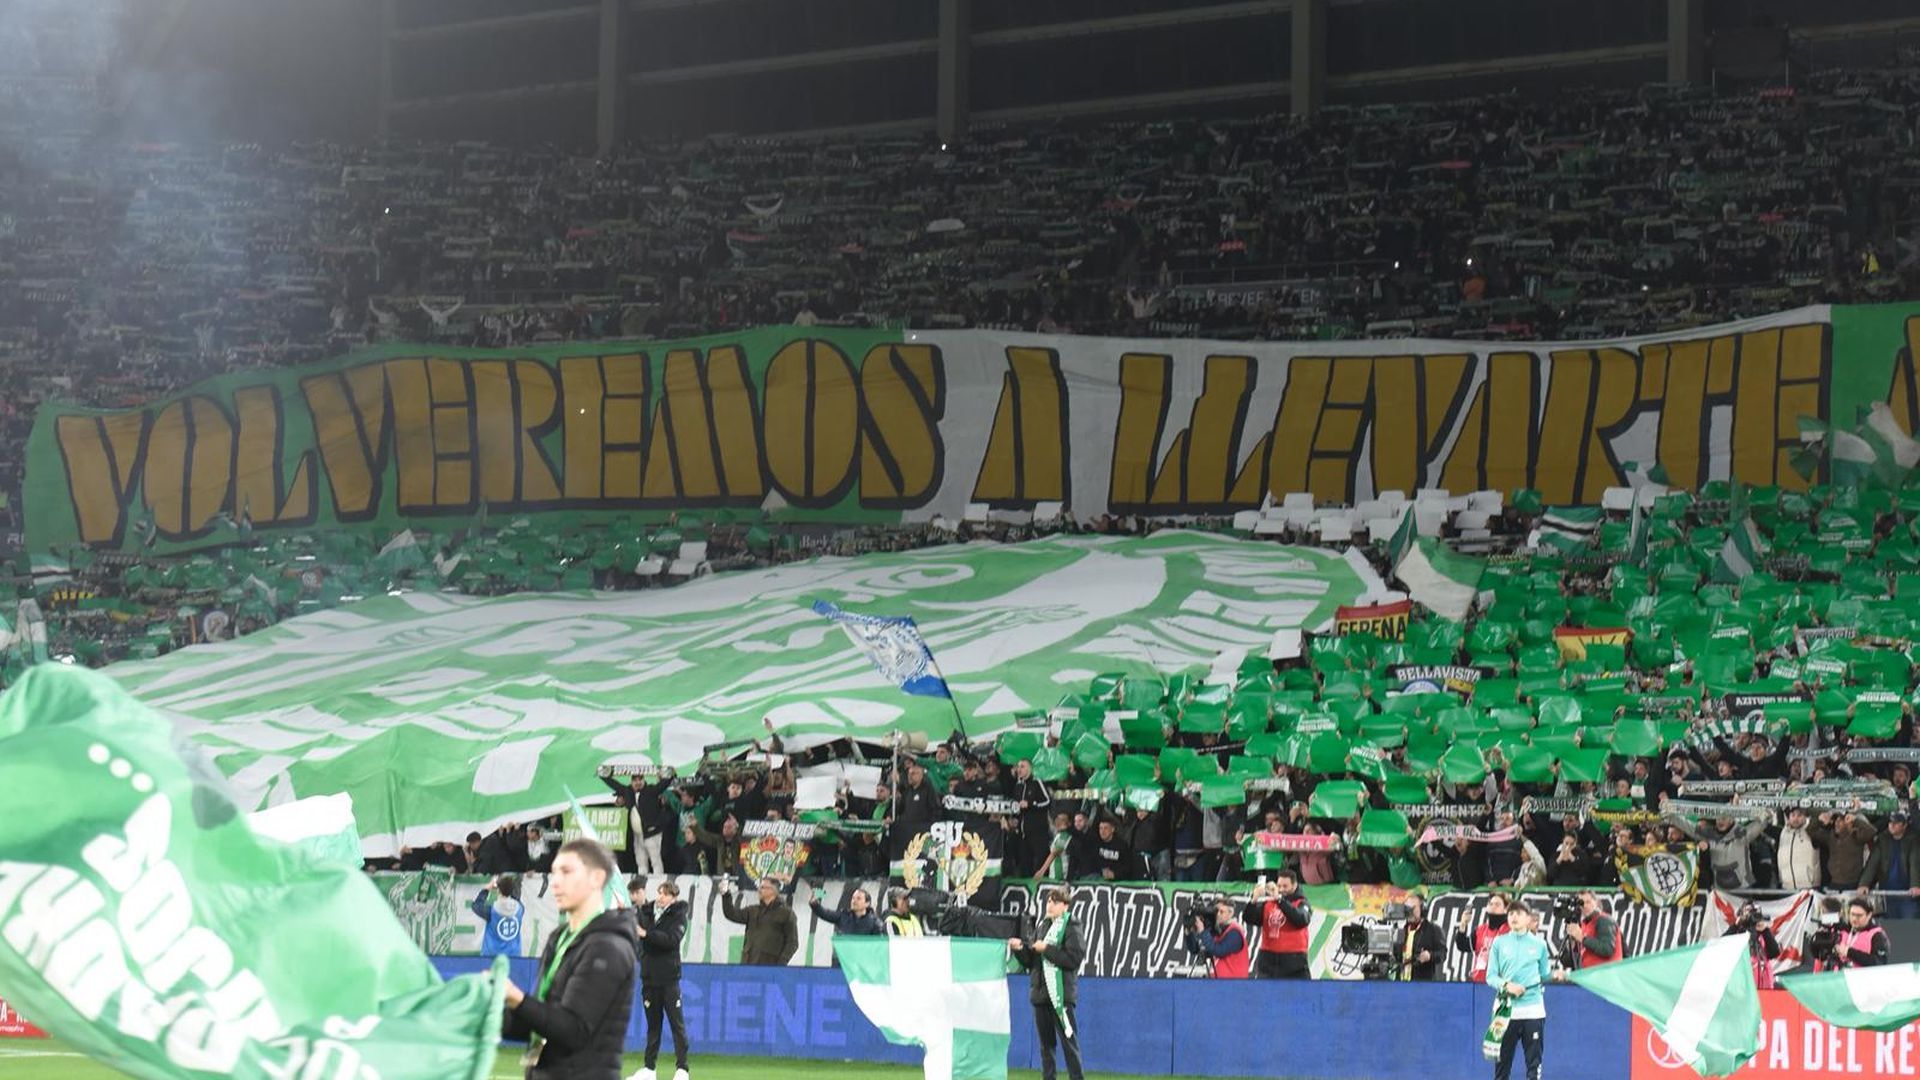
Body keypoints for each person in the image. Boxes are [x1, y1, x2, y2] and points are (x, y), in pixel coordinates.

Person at [502, 839, 637, 1080]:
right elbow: (543, 1021)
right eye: (553, 873)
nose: (555, 882)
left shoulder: (608, 946)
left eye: (566, 872)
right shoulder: (560, 937)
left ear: (597, 878)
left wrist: (518, 998)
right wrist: (487, 1012)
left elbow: (574, 1031)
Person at [1009, 886, 1086, 1080]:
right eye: (1049, 901)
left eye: (1055, 902)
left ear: (1065, 906)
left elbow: (1073, 959)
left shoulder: (1071, 927)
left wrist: (1047, 949)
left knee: (1069, 1045)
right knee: (1046, 1046)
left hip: (1061, 996)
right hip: (1041, 995)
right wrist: (1019, 949)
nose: (1050, 905)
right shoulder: (1042, 926)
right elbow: (1031, 961)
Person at [630, 880, 690, 1080]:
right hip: (649, 978)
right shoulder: (645, 913)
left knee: (676, 1024)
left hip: (669, 979)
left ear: (674, 898)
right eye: (659, 893)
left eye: (665, 894)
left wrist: (647, 935)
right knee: (653, 1026)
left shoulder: (679, 916)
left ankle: (682, 1069)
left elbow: (671, 940)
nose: (661, 897)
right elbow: (638, 936)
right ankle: (649, 1069)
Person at [1488, 902, 1551, 1080]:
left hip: (1533, 1011)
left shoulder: (1540, 944)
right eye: (1511, 914)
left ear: (1529, 918)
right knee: (1502, 1066)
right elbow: (1490, 976)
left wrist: (1558, 974)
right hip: (1505, 1011)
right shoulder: (1499, 943)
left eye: (1519, 913)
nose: (1514, 917)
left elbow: (1545, 974)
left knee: (1534, 1066)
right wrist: (1507, 986)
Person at [1240, 870, 1312, 979]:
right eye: (1279, 886)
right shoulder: (1269, 903)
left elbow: (1301, 919)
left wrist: (1280, 900)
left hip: (1294, 961)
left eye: (1285, 886)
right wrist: (1254, 900)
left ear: (1294, 885)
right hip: (1269, 959)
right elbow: (1249, 918)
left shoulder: (1301, 902)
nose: (1281, 889)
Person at [720, 878, 798, 965]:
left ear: (772, 891)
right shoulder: (753, 910)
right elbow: (731, 914)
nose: (759, 890)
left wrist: (781, 964)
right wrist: (725, 895)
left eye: (763, 887)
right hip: (747, 964)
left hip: (770, 965)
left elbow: (793, 942)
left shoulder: (786, 913)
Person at [1859, 812, 1920, 920]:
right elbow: (1873, 863)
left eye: (1896, 823)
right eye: (1890, 822)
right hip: (1887, 893)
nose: (1892, 825)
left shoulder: (1913, 840)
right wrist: (1864, 883)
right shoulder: (1882, 839)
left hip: (1908, 895)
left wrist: (1915, 885)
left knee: (1910, 924)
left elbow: (1915, 863)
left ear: (1904, 825)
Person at [1184, 897, 1249, 978]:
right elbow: (1196, 950)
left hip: (1234, 983)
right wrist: (1188, 933)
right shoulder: (1219, 930)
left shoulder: (1234, 932)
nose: (1218, 914)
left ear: (1230, 913)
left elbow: (1219, 951)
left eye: (1221, 912)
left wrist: (1203, 932)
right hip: (1219, 980)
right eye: (1216, 911)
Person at [1454, 892, 1511, 983]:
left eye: (1497, 904)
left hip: (1502, 982)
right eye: (1491, 904)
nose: (1493, 907)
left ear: (1506, 909)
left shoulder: (1511, 930)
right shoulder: (1481, 930)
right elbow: (1462, 945)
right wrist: (1463, 924)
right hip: (1479, 981)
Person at [1725, 901, 1782, 989]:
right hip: (1742, 985)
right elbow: (1721, 945)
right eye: (1748, 911)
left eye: (1753, 911)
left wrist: (1765, 931)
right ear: (1741, 914)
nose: (1751, 914)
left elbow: (1774, 953)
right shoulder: (1737, 933)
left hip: (1763, 985)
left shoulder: (1763, 933)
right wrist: (1735, 926)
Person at [811, 887, 884, 949]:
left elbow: (880, 944)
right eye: (853, 898)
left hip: (864, 961)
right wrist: (815, 904)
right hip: (844, 959)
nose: (854, 901)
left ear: (867, 903)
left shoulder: (875, 922)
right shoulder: (843, 915)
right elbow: (825, 914)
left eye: (858, 898)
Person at [472, 874, 525, 959]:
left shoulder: (491, 911)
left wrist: (486, 889)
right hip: (514, 956)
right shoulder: (520, 908)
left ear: (498, 890)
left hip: (491, 956)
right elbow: (516, 898)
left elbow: (476, 906)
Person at [1563, 891, 1620, 969]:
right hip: (1588, 975)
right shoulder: (1583, 924)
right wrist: (1570, 944)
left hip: (1605, 975)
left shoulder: (1604, 920)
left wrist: (1582, 938)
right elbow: (1568, 962)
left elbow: (1607, 950)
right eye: (1581, 903)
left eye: (1588, 902)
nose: (1585, 906)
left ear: (1596, 903)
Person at [1394, 895, 1445, 981]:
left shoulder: (1433, 929)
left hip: (1423, 985)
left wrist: (1430, 955)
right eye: (1407, 909)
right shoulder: (1401, 929)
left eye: (1413, 909)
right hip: (1401, 983)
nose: (1410, 912)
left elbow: (1442, 953)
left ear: (1422, 909)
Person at [1836, 897, 1890, 968]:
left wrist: (1850, 952)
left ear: (1869, 915)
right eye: (1852, 914)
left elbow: (1879, 962)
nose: (1854, 919)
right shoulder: (1842, 930)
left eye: (1859, 915)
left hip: (1863, 978)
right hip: (1839, 977)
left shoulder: (1877, 935)